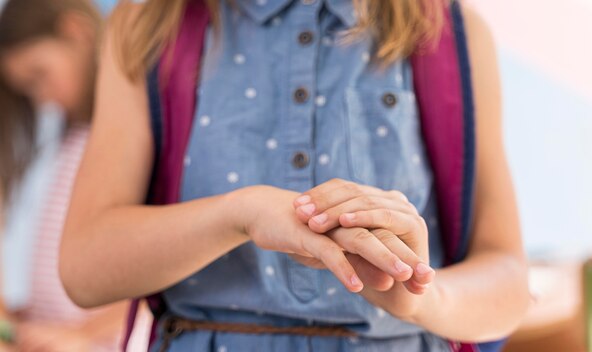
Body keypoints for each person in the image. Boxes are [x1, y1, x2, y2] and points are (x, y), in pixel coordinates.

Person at [60, 0, 530, 351]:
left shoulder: (452, 31)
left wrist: (422, 297)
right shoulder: (149, 23)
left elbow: (509, 282)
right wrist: (240, 215)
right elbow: (85, 269)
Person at [0, 0, 129, 350]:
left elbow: (164, 278)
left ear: (76, 31)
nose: (42, 101)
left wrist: (83, 335)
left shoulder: (128, 139)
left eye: (38, 75)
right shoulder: (69, 138)